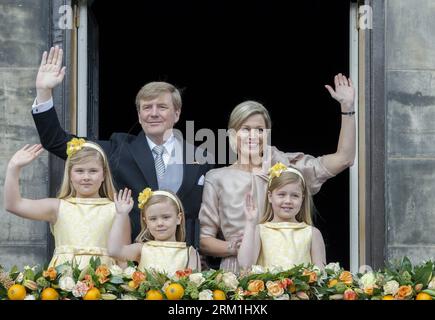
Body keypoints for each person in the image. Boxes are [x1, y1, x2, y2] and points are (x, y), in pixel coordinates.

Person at [31, 46, 212, 248]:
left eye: (162, 107)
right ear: (139, 115)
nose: (153, 113)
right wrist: (44, 91)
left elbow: (208, 213)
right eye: (146, 107)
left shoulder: (200, 156)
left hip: (184, 262)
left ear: (176, 114)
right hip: (129, 262)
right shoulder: (119, 148)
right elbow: (55, 141)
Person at [199, 73, 355, 272]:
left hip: (285, 271)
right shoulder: (217, 178)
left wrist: (348, 108)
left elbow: (344, 159)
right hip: (237, 271)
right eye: (245, 129)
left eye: (260, 130)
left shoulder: (285, 167)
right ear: (232, 134)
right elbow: (204, 241)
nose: (253, 136)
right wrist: (235, 247)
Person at [3, 139, 127, 269]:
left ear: (104, 175)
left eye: (93, 171)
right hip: (63, 284)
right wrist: (14, 167)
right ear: (70, 175)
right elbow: (14, 205)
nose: (86, 177)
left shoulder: (117, 209)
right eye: (79, 171)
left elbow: (123, 257)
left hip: (105, 283)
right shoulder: (57, 207)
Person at [237, 163, 325, 271]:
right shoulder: (260, 231)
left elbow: (321, 275)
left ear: (302, 199)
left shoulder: (312, 233)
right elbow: (245, 265)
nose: (288, 201)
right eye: (281, 194)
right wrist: (250, 223)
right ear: (270, 197)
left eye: (295, 195)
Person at [108, 188, 201, 274]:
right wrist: (121, 214)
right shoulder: (141, 249)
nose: (159, 223)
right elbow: (114, 251)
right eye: (153, 219)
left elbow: (194, 284)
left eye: (166, 217)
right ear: (146, 222)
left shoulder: (190, 253)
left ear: (178, 218)